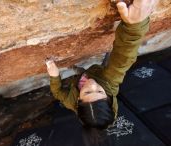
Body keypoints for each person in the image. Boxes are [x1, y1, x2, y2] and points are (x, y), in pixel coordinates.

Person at [46, 0, 157, 144]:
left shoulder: (70, 101)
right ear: (109, 98)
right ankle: (104, 55)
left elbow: (57, 92)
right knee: (108, 59)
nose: (92, 85)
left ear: (78, 100)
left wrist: (54, 76)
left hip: (84, 74)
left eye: (87, 92)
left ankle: (76, 69)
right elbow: (124, 58)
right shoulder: (111, 81)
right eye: (99, 92)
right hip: (101, 73)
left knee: (81, 72)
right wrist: (134, 27)